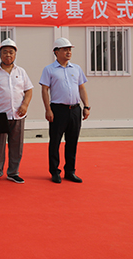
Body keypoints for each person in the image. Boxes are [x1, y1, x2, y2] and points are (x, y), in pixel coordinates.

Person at [0, 38, 33, 184]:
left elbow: (29, 90)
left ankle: (13, 172)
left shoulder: (21, 72)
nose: (8, 55)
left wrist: (25, 105)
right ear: (0, 54)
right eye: (5, 52)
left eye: (11, 52)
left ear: (15, 54)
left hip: (18, 115)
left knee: (17, 146)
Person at [39, 37, 90, 184]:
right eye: (65, 49)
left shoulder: (76, 68)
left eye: (70, 50)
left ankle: (70, 171)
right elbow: (44, 90)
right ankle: (55, 171)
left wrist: (86, 106)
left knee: (72, 142)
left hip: (75, 109)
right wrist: (48, 109)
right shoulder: (49, 69)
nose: (69, 52)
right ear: (56, 52)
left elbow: (81, 88)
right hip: (58, 109)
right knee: (55, 142)